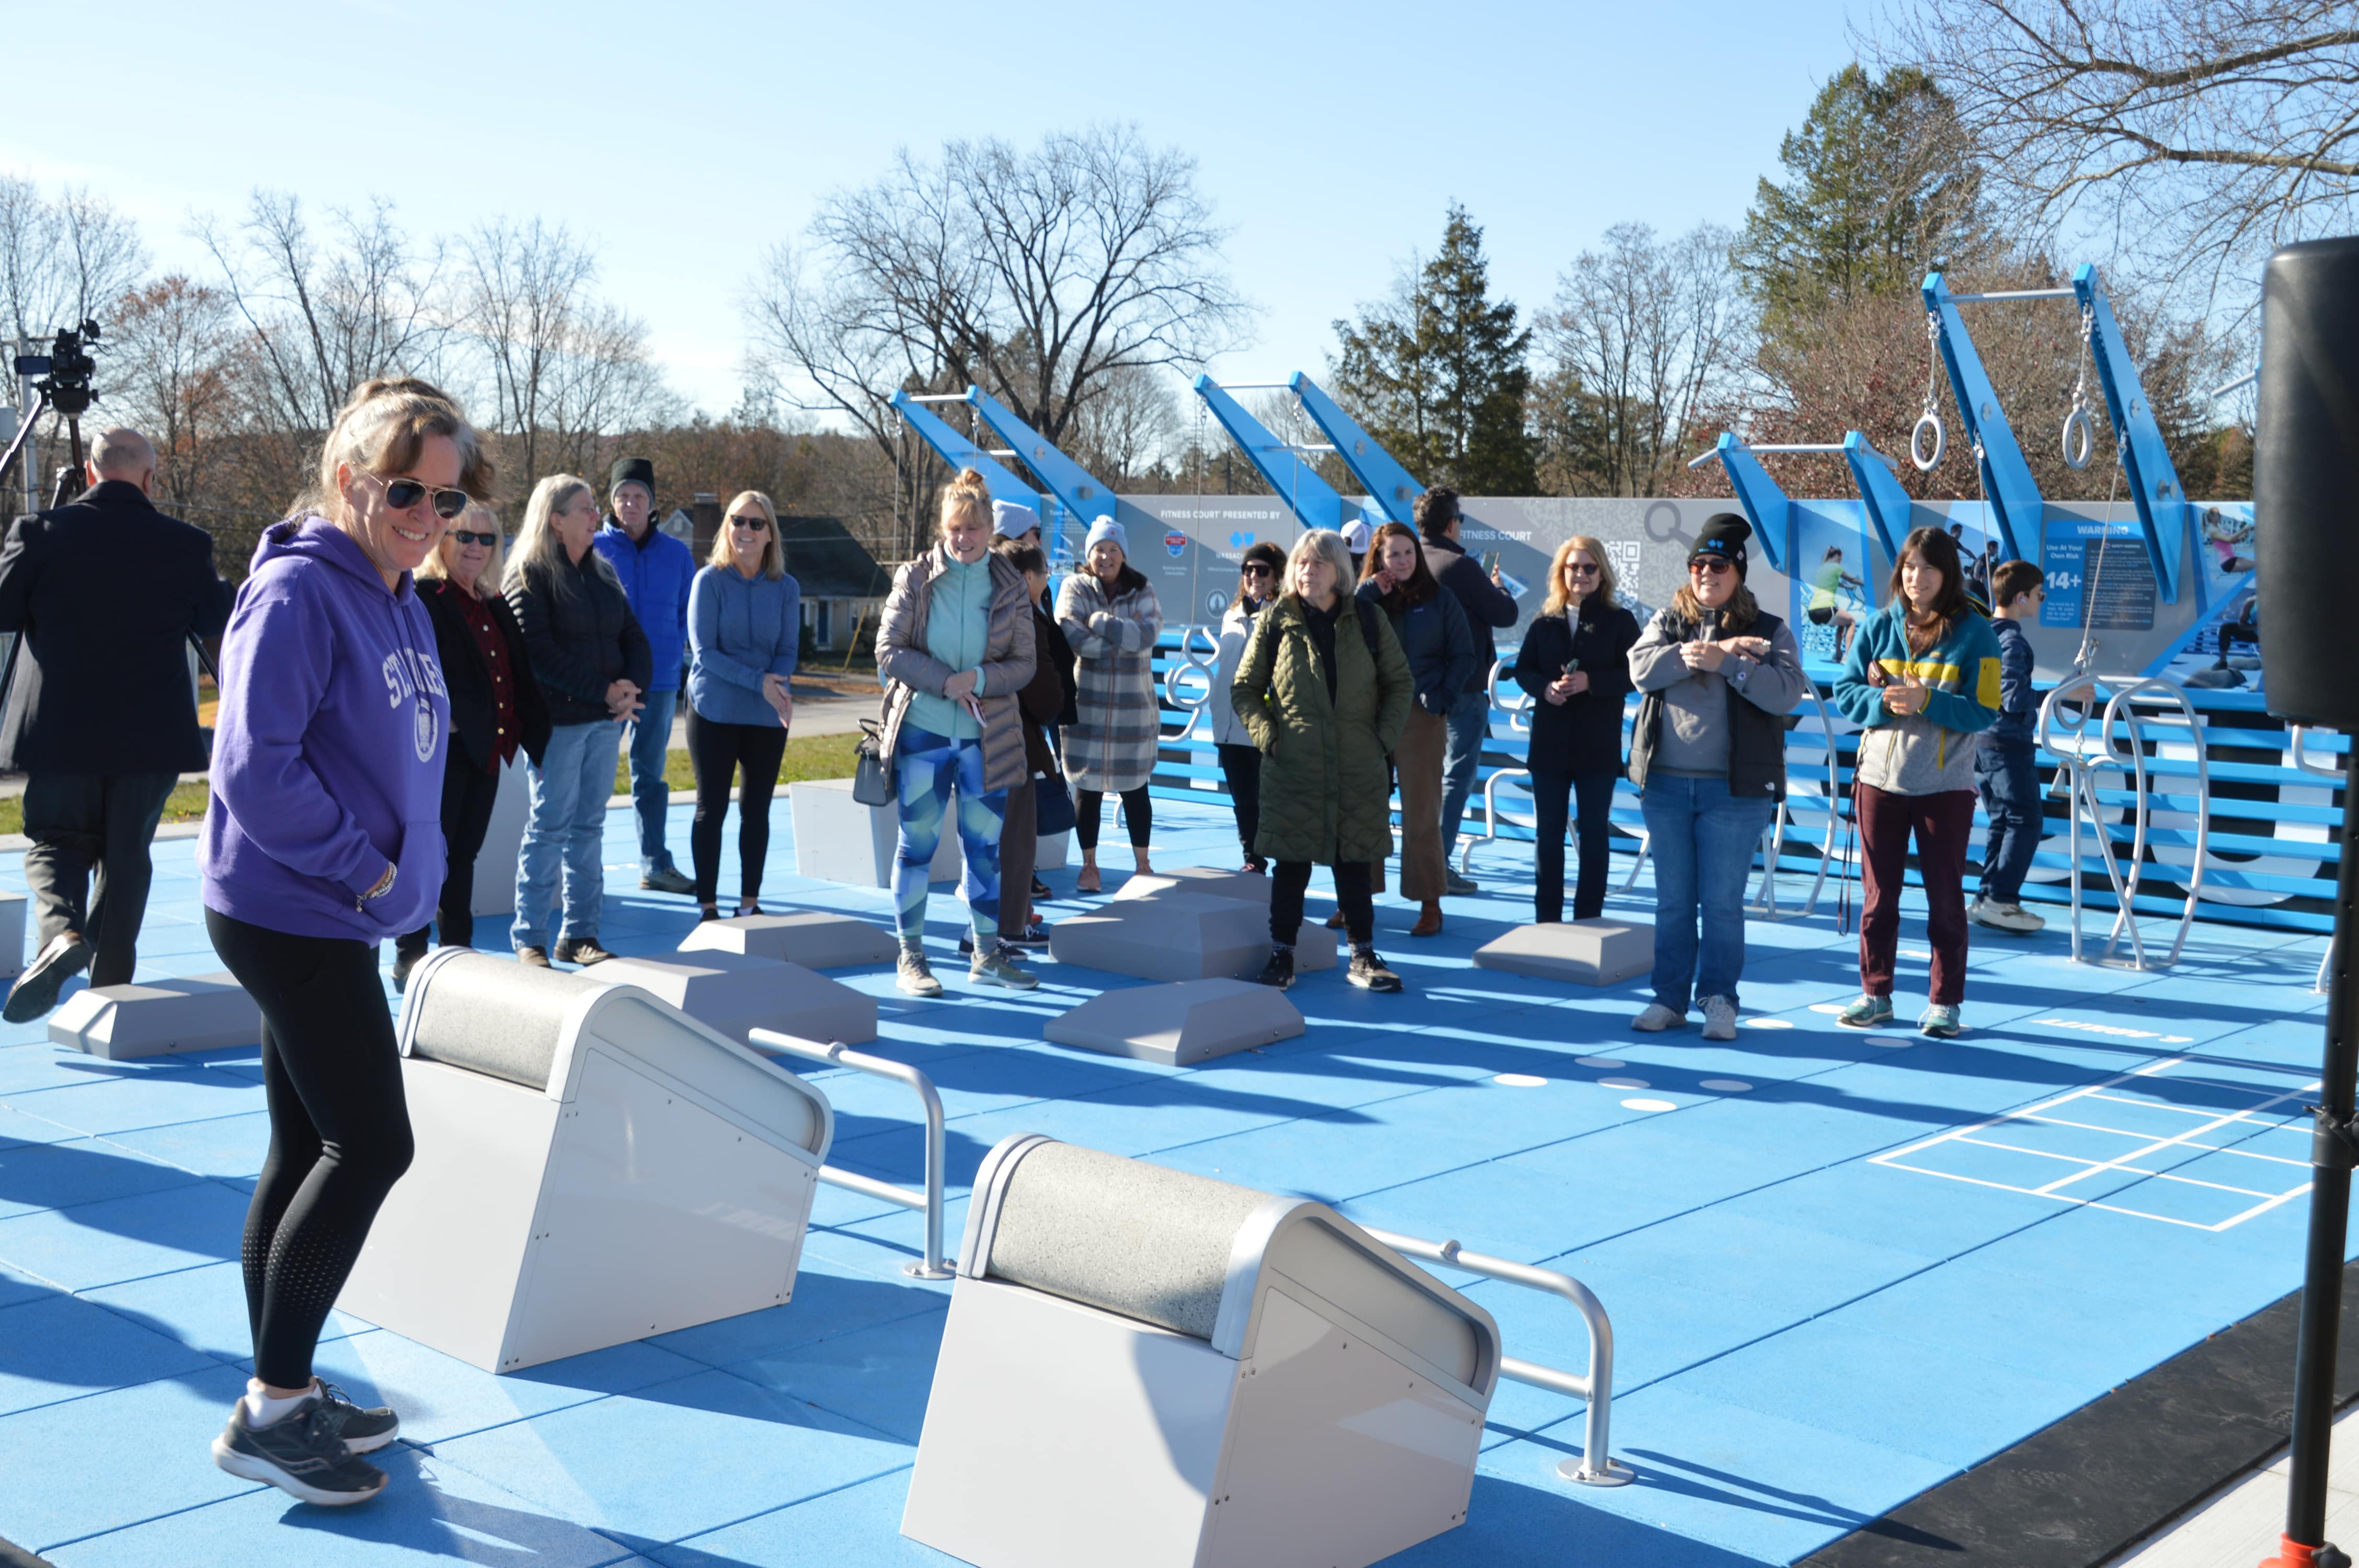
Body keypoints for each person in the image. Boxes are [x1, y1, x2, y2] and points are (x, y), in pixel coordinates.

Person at [199, 377, 487, 1504]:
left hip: (336, 912)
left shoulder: (398, 592)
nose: (428, 516)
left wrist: (412, 870)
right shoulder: (297, 594)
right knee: (370, 1147)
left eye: (446, 499)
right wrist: (368, 870)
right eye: (406, 491)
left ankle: (285, 1385)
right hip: (294, 910)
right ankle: (271, 1411)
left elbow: (404, 752)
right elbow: (252, 770)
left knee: (304, 1145)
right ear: (348, 481)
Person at [0, 427, 234, 1021]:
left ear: (89, 471)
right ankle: (110, 993)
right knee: (127, 856)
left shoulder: (39, 531)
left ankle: (61, 933)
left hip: (59, 729)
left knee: (56, 841)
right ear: (151, 479)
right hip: (151, 736)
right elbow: (218, 619)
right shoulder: (186, 544)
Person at [1626, 513, 1807, 1041]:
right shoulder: (1667, 621)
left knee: (1723, 905)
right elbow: (1640, 671)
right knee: (1673, 903)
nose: (1706, 572)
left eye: (1719, 565)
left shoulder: (1770, 629)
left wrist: (1730, 664)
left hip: (1735, 792)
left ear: (1739, 571)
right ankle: (1669, 999)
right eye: (1698, 564)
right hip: (1665, 786)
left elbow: (1787, 694)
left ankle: (1720, 999)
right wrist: (1696, 656)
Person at [1833, 524, 2003, 1040]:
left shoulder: (1977, 633)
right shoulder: (1877, 625)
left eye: (1928, 568)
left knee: (1945, 901)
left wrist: (1928, 700)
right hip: (1877, 782)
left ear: (1947, 573)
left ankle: (1945, 1003)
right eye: (1909, 567)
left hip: (1945, 788)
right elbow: (1846, 692)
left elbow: (1986, 710)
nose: (1917, 577)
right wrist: (1882, 701)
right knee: (1878, 899)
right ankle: (1875, 994)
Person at [875, 468, 1038, 996]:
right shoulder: (915, 577)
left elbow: (1025, 664)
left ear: (990, 528)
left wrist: (980, 679)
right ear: (943, 529)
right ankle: (911, 957)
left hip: (986, 740)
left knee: (985, 850)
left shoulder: (1011, 585)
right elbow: (889, 649)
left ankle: (986, 954)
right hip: (922, 733)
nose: (963, 539)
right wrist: (946, 682)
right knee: (916, 847)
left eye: (973, 528)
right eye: (954, 529)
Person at [1232, 529, 1412, 993]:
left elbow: (1400, 683)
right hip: (1294, 766)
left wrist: (1380, 740)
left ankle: (1363, 955)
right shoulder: (1276, 621)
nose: (1307, 571)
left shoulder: (1369, 619)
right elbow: (1245, 689)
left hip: (1357, 764)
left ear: (1339, 571)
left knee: (1355, 863)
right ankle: (1282, 955)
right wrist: (1271, 739)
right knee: (1291, 866)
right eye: (1301, 562)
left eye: (1318, 563)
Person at [392, 503, 551, 991]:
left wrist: (532, 733)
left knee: (463, 856)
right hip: (440, 753)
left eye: (487, 539)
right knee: (427, 856)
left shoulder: (492, 601)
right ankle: (410, 953)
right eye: (465, 537)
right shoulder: (425, 596)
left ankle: (457, 950)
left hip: (486, 751)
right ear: (442, 540)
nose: (476, 548)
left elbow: (517, 673)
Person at [506, 474, 650, 967]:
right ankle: (530, 939)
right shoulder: (529, 575)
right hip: (558, 727)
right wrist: (605, 691)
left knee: (589, 829)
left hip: (605, 724)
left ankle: (580, 934)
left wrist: (631, 689)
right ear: (556, 520)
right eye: (586, 509)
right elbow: (537, 654)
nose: (596, 517)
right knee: (549, 829)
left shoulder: (603, 573)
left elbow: (635, 637)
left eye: (594, 508)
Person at [1357, 523, 1477, 937]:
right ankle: (1355, 900)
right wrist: (1367, 593)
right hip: (1369, 716)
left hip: (1420, 717)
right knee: (1363, 810)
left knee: (1421, 814)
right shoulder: (1366, 600)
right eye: (1394, 554)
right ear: (1379, 558)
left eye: (1409, 552)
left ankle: (1430, 905)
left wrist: (1441, 696)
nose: (1403, 560)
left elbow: (1464, 654)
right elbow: (1340, 632)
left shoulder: (1441, 599)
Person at [685, 491, 799, 922]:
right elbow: (705, 653)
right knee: (710, 808)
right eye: (737, 520)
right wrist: (761, 683)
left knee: (757, 811)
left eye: (756, 523)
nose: (745, 530)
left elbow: (788, 650)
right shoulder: (708, 581)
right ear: (726, 528)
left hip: (765, 713)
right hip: (713, 709)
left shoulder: (787, 588)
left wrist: (778, 686)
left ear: (770, 534)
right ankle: (708, 907)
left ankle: (750, 904)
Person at [1515, 536, 1639, 925]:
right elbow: (1523, 669)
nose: (1581, 574)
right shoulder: (1545, 620)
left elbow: (1637, 674)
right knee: (1548, 835)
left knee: (1594, 834)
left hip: (1597, 746)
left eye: (1589, 567)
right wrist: (1544, 689)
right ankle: (1547, 921)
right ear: (1561, 572)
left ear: (1602, 573)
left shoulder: (1620, 621)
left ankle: (1589, 920)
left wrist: (1592, 682)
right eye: (1573, 567)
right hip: (1550, 745)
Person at [592, 456, 696, 895]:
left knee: (650, 777)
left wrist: (671, 657)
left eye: (639, 496)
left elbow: (687, 615)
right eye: (623, 495)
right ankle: (583, 870)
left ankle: (655, 864)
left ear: (653, 504)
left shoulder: (677, 554)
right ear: (611, 501)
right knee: (594, 778)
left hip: (660, 681)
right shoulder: (592, 548)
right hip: (605, 686)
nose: (631, 503)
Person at [967, 537, 1068, 956]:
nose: (1047, 581)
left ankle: (995, 927)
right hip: (1012, 739)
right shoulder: (1025, 617)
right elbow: (1041, 690)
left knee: (986, 841)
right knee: (1014, 840)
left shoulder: (978, 610)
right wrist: (1057, 698)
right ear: (1028, 577)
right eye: (1045, 574)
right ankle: (1004, 929)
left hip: (978, 735)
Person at [1415, 486, 1518, 894]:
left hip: (1416, 689)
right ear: (1451, 524)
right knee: (1455, 777)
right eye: (1460, 520)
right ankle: (1435, 866)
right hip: (1461, 689)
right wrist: (1500, 587)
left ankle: (1421, 862)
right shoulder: (1460, 566)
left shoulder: (1408, 561)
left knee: (1424, 778)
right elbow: (1505, 613)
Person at [1056, 517, 1163, 892]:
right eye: (1099, 549)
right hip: (1088, 707)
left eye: (1113, 549)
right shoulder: (1074, 586)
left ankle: (1143, 865)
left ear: (1124, 554)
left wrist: (1100, 622)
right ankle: (1089, 866)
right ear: (1089, 554)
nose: (1106, 556)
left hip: (1136, 709)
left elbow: (1149, 633)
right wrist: (1123, 639)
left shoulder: (1142, 587)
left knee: (1136, 789)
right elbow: (1072, 634)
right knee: (1088, 790)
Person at [1973, 560, 2047, 936]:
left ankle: (1988, 896)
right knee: (2026, 820)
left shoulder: (1985, 634)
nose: (2041, 600)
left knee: (2002, 819)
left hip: (1982, 741)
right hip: (2008, 743)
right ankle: (2002, 899)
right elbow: (2014, 698)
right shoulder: (2013, 641)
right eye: (2039, 595)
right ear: (2021, 597)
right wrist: (2061, 695)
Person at [1208, 542, 1286, 873]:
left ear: (1277, 575)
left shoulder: (1284, 615)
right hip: (1227, 724)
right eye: (1248, 570)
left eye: (1262, 570)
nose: (1254, 576)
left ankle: (1281, 864)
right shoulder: (1232, 615)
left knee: (1268, 800)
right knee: (1242, 800)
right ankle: (1253, 860)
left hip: (1261, 724)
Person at [1805, 545, 1862, 661]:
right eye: (1840, 559)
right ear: (1834, 557)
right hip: (1826, 609)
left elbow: (1835, 582)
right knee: (1852, 621)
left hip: (1812, 612)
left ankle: (1838, 655)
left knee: (1842, 623)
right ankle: (1848, 657)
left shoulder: (1821, 569)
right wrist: (1866, 583)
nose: (1840, 562)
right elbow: (1852, 579)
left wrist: (1847, 587)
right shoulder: (1836, 568)